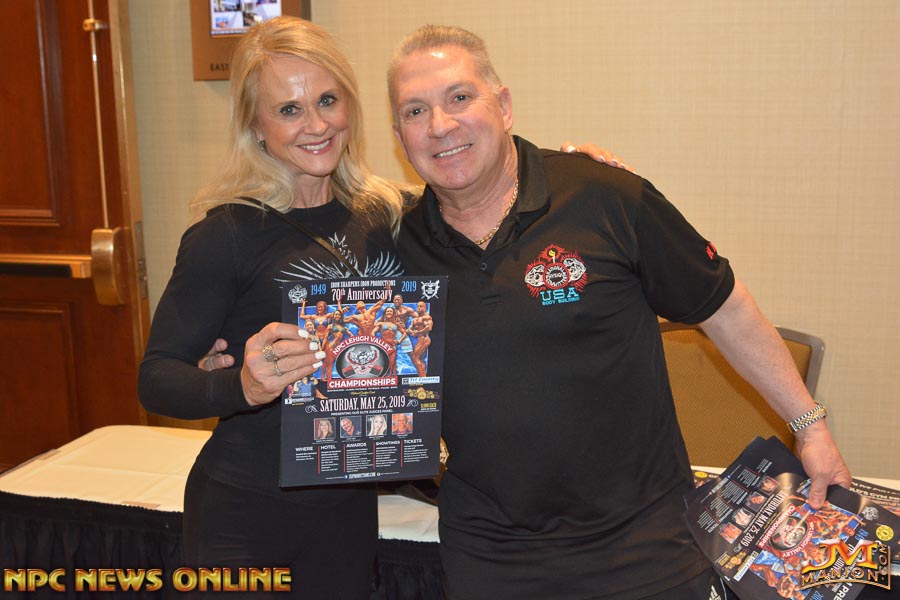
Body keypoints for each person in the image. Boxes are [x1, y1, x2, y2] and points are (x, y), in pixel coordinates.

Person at [388, 25, 852, 599]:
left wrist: (811, 427)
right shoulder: (394, 247)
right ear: (400, 137)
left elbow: (725, 309)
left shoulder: (606, 196)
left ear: (503, 106)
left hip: (646, 548)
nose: (440, 125)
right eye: (415, 111)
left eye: (460, 97)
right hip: (492, 556)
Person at [137, 16, 406, 599]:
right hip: (246, 515)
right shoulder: (226, 234)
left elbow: (481, 198)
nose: (317, 125)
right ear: (254, 126)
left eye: (328, 100)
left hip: (347, 515)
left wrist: (574, 171)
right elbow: (155, 378)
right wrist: (240, 386)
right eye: (288, 109)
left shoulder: (386, 215)